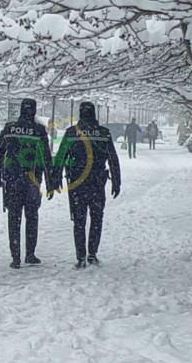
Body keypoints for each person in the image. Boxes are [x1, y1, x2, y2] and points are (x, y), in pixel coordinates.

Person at [0, 98, 60, 269]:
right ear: (34, 111)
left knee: (13, 218)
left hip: (13, 180)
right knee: (32, 217)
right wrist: (51, 182)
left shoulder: (9, 129)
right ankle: (30, 254)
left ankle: (15, 256)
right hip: (32, 180)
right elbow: (46, 158)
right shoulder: (38, 130)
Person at [55, 102, 121, 268]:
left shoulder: (72, 133)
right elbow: (113, 158)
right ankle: (92, 253)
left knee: (79, 220)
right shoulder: (103, 133)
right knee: (97, 218)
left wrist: (55, 180)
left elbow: (60, 158)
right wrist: (116, 181)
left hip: (77, 183)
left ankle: (81, 256)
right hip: (98, 182)